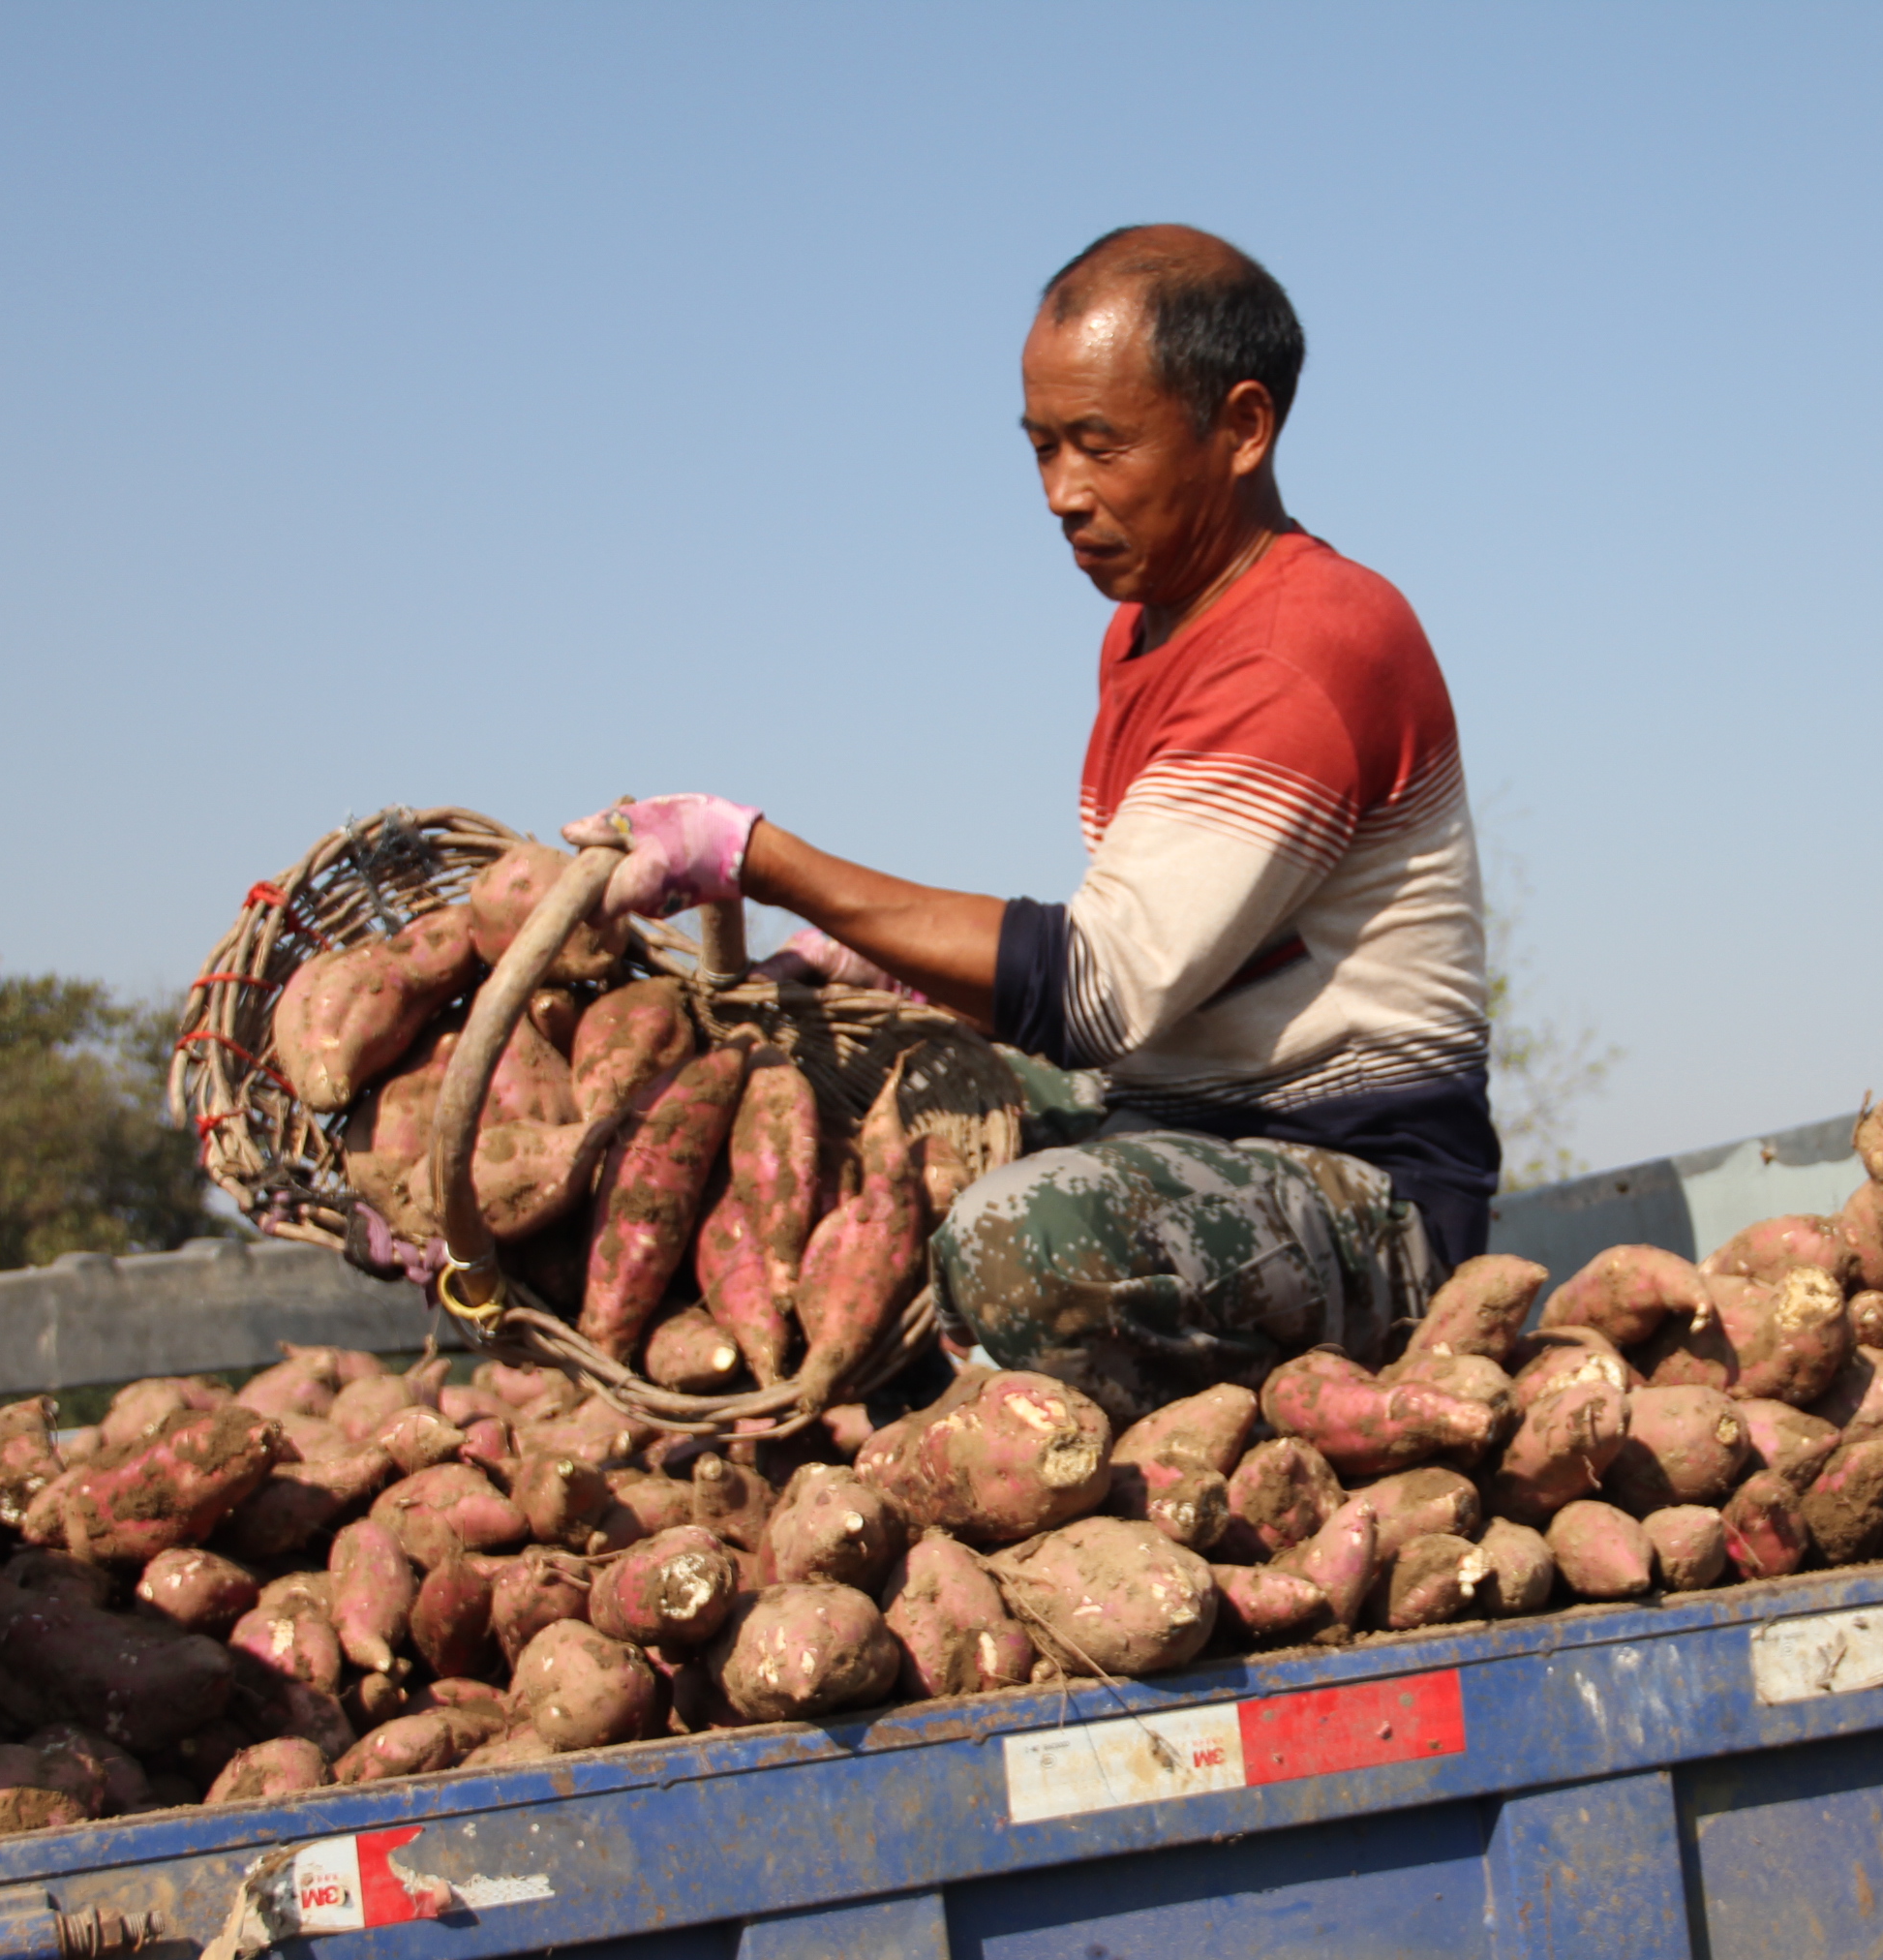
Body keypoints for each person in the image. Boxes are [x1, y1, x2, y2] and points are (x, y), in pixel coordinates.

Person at [566, 225, 1493, 1417]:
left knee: (1017, 1236)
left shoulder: (1305, 646)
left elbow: (1097, 991)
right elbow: (1136, 945)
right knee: (818, 1104)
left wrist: (757, 860)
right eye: (1044, 446)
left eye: (1101, 446)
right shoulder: (1150, 626)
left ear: (1243, 427)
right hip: (1171, 1131)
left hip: (1356, 1192)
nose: (1062, 493)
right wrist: (874, 965)